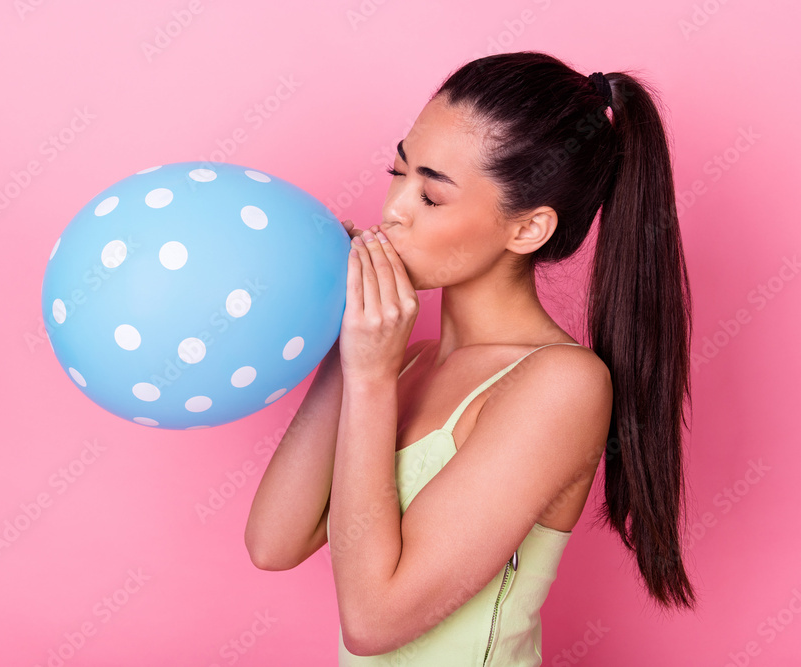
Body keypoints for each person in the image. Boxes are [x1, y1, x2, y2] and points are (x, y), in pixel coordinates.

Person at [245, 51, 696, 665]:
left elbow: (374, 622)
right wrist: (351, 345)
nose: (394, 209)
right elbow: (273, 543)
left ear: (527, 229)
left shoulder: (561, 383)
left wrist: (371, 378)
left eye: (431, 196)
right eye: (397, 171)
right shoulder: (403, 362)